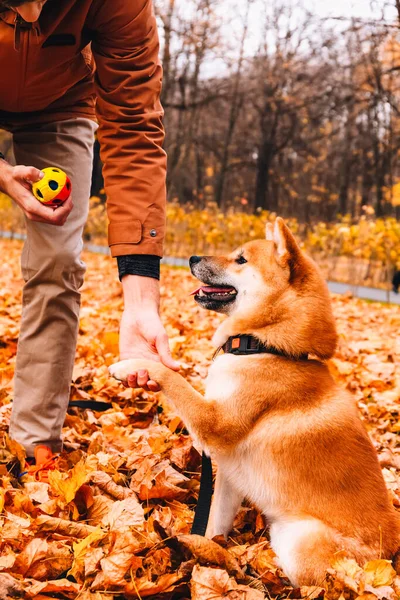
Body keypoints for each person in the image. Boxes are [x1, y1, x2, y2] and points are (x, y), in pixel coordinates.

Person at [0, 0, 179, 480]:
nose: (35, 13)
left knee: (58, 258)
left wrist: (142, 299)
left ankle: (34, 439)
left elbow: (135, 130)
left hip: (59, 102)